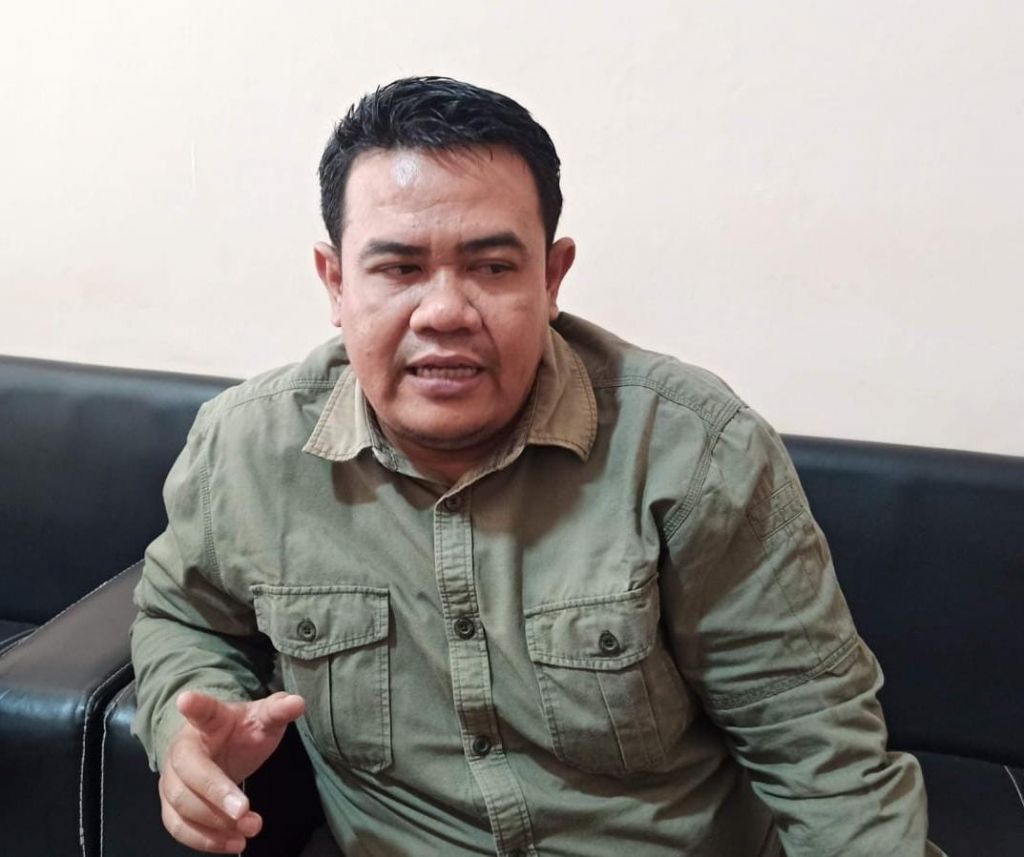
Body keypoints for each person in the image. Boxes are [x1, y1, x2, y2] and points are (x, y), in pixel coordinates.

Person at [131, 76, 943, 857]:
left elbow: (818, 748)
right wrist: (184, 727)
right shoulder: (247, 448)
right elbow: (183, 614)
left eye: (492, 266)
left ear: (552, 278)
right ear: (336, 282)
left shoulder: (690, 447)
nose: (444, 311)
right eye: (399, 268)